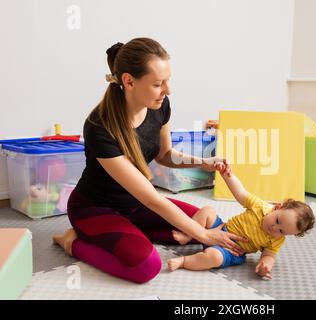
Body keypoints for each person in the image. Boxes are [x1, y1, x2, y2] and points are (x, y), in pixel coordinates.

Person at [53, 38, 247, 284]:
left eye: (167, 81)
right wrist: (204, 237)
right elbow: (151, 197)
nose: (168, 90)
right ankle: (73, 241)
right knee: (146, 266)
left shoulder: (159, 105)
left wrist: (203, 162)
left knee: (211, 224)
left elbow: (165, 155)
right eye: (158, 84)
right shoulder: (99, 126)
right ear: (129, 81)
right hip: (96, 209)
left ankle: (133, 232)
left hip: (135, 206)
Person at [167, 162, 315, 279]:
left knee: (214, 258)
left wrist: (265, 265)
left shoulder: (276, 240)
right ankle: (188, 235)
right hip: (220, 229)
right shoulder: (259, 206)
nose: (275, 228)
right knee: (207, 211)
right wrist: (226, 175)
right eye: (277, 220)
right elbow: (240, 192)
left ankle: (184, 261)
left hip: (230, 250)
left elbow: (269, 255)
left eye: (282, 231)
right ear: (277, 208)